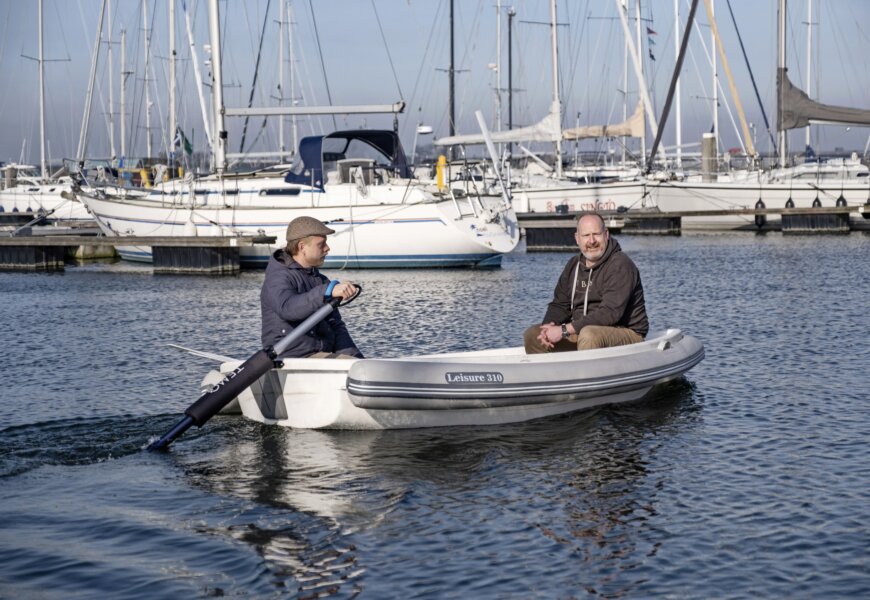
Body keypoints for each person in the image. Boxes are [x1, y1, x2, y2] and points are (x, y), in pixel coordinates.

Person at [523, 212, 648, 353]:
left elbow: (610, 313)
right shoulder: (573, 265)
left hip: (625, 332)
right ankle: (550, 374)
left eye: (596, 234)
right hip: (580, 331)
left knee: (589, 335)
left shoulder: (620, 265)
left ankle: (587, 374)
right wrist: (548, 328)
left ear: (606, 235)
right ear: (577, 239)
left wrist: (564, 330)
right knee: (533, 334)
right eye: (586, 235)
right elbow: (560, 305)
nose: (592, 240)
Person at [261, 216, 363, 359]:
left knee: (361, 367)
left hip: (319, 355)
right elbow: (288, 308)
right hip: (291, 357)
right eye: (321, 244)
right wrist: (326, 292)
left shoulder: (320, 280)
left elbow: (336, 327)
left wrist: (358, 359)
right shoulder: (278, 277)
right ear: (302, 247)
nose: (327, 248)